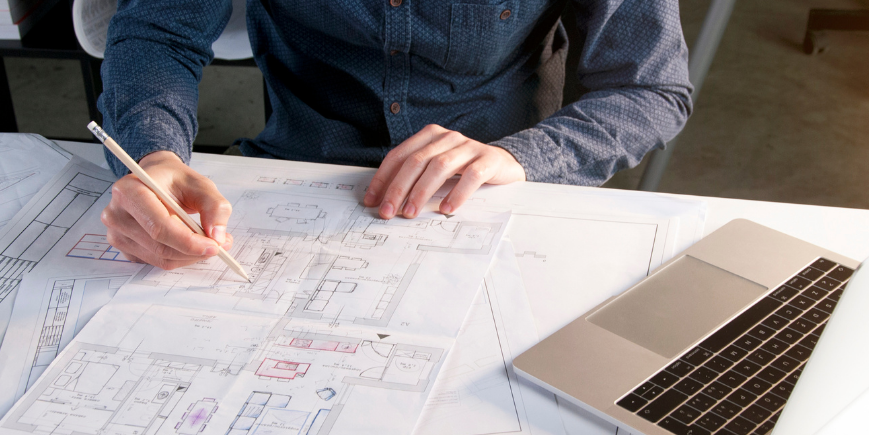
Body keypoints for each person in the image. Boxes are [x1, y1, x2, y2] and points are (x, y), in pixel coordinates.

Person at [97, 0, 693, 269]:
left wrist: (522, 155)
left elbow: (650, 90)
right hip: (304, 177)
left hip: (492, 200)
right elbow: (157, 33)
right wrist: (153, 156)